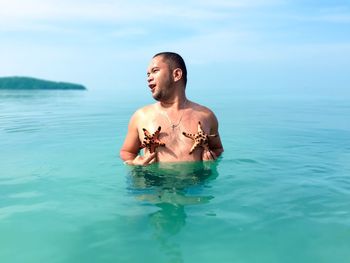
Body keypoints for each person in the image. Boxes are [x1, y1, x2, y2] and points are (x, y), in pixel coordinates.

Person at [120, 52, 224, 165]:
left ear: (177, 74)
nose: (149, 78)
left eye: (155, 71)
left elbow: (218, 149)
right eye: (148, 74)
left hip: (196, 182)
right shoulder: (141, 116)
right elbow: (127, 152)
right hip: (154, 181)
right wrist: (135, 162)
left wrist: (212, 159)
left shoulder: (206, 116)